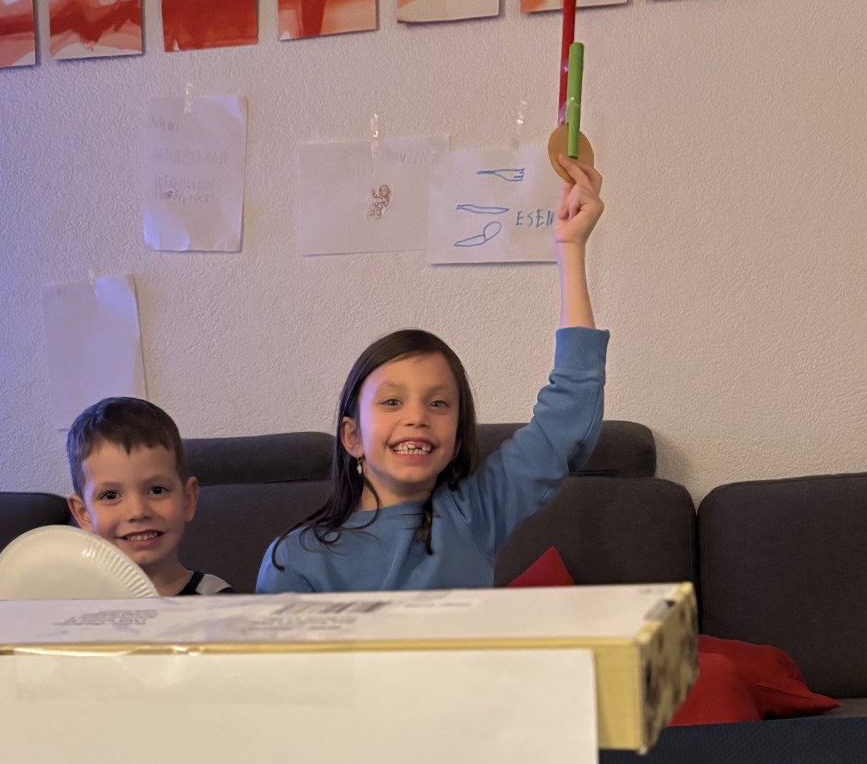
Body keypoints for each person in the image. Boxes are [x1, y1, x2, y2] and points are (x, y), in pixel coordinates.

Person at [256, 156, 606, 593]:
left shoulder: (475, 512)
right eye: (392, 401)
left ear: (457, 437)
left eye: (438, 403)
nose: (417, 416)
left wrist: (570, 250)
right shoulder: (295, 558)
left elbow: (568, 414)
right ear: (352, 437)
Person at [0, 398, 232, 601]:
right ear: (83, 515)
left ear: (187, 499)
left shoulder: (219, 603)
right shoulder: (63, 606)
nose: (137, 511)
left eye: (156, 490)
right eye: (111, 495)